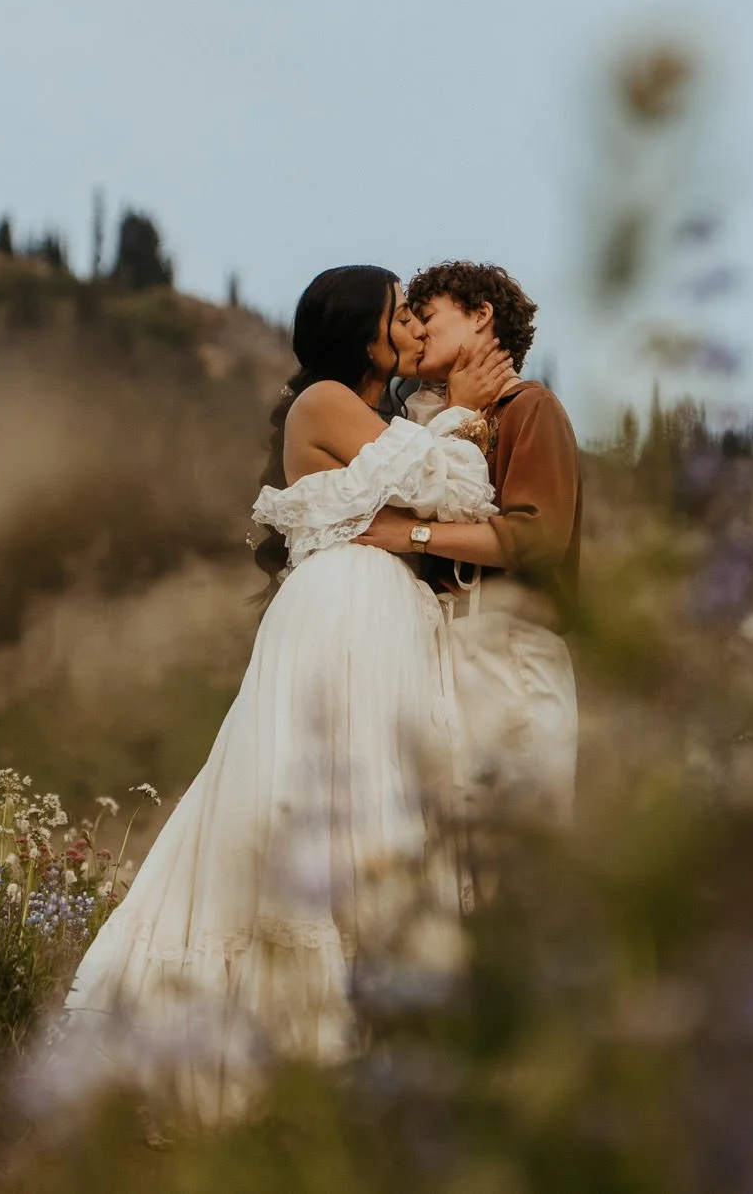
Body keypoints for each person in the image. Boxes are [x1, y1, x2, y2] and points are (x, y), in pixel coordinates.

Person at [33, 265, 516, 1130]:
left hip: (385, 622)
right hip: (339, 621)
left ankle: (381, 1056)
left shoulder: (385, 417)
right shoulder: (324, 401)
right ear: (360, 333)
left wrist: (440, 428)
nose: (410, 324)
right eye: (396, 314)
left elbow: (441, 488)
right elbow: (453, 487)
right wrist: (460, 415)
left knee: (384, 812)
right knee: (320, 804)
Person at [358, 260, 580, 862]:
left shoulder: (530, 408)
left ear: (482, 316)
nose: (418, 333)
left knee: (520, 853)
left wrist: (413, 535)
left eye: (427, 317)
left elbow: (537, 536)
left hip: (511, 654)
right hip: (439, 658)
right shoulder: (418, 427)